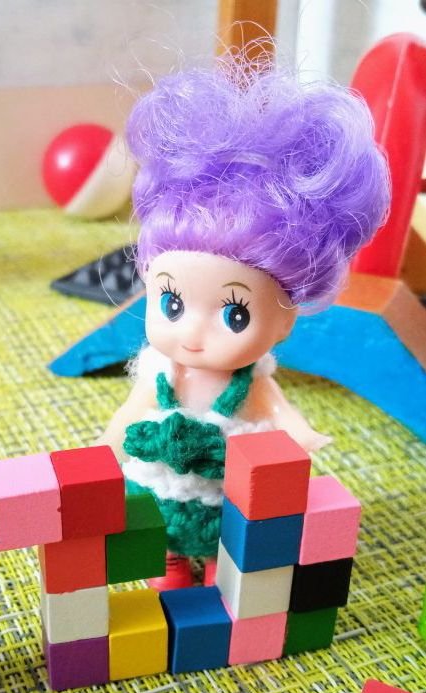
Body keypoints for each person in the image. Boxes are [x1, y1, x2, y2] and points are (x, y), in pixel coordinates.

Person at [99, 58, 390, 590]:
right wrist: (110, 439)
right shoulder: (161, 371)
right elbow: (133, 411)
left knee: (228, 546)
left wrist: (298, 432)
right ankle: (169, 566)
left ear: (284, 322)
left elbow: (274, 406)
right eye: (172, 304)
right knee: (159, 537)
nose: (193, 333)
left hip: (226, 490)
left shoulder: (248, 380)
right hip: (160, 485)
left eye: (235, 314)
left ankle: (219, 567)